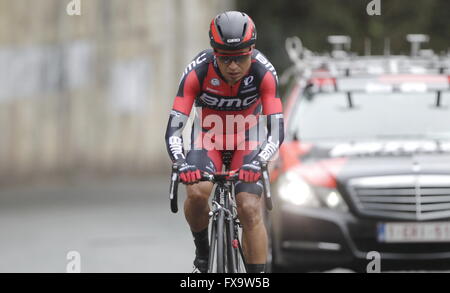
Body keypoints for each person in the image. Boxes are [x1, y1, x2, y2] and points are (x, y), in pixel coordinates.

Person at [165, 11, 284, 273]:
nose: (233, 66)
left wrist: (261, 162)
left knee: (249, 207)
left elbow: (276, 130)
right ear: (214, 52)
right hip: (208, 138)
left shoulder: (264, 72)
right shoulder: (197, 71)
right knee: (196, 193)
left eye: (240, 58)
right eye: (225, 58)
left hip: (248, 140)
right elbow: (173, 129)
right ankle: (203, 253)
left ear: (251, 51)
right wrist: (181, 163)